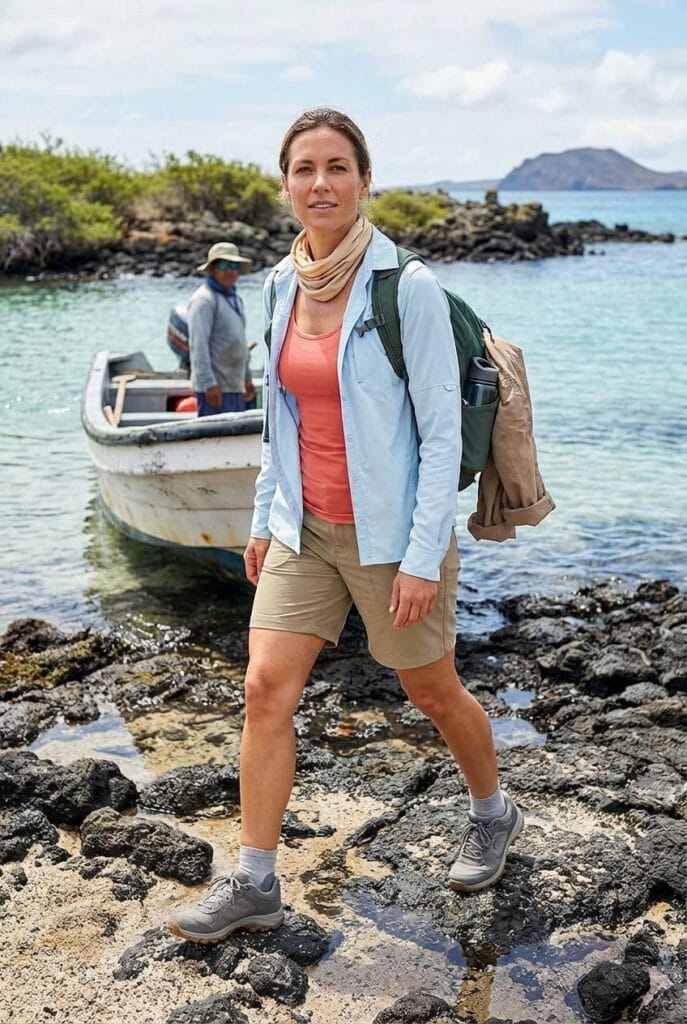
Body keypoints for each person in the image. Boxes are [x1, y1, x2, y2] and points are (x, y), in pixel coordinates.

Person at [167, 108, 523, 944]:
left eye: (336, 167)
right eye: (303, 169)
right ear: (285, 184)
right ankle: (254, 879)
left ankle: (492, 810)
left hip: (392, 533)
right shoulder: (279, 283)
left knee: (429, 691)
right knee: (263, 690)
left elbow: (440, 435)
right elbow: (276, 416)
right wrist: (262, 516)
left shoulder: (410, 289)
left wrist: (419, 557)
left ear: (365, 180)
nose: (319, 183)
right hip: (304, 528)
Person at [188, 241, 256, 416]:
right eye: (224, 265)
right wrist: (208, 384)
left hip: (235, 387)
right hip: (215, 391)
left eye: (234, 265)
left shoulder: (235, 299)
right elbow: (198, 346)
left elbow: (240, 343)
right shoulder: (204, 300)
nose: (230, 271)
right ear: (212, 269)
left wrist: (247, 378)